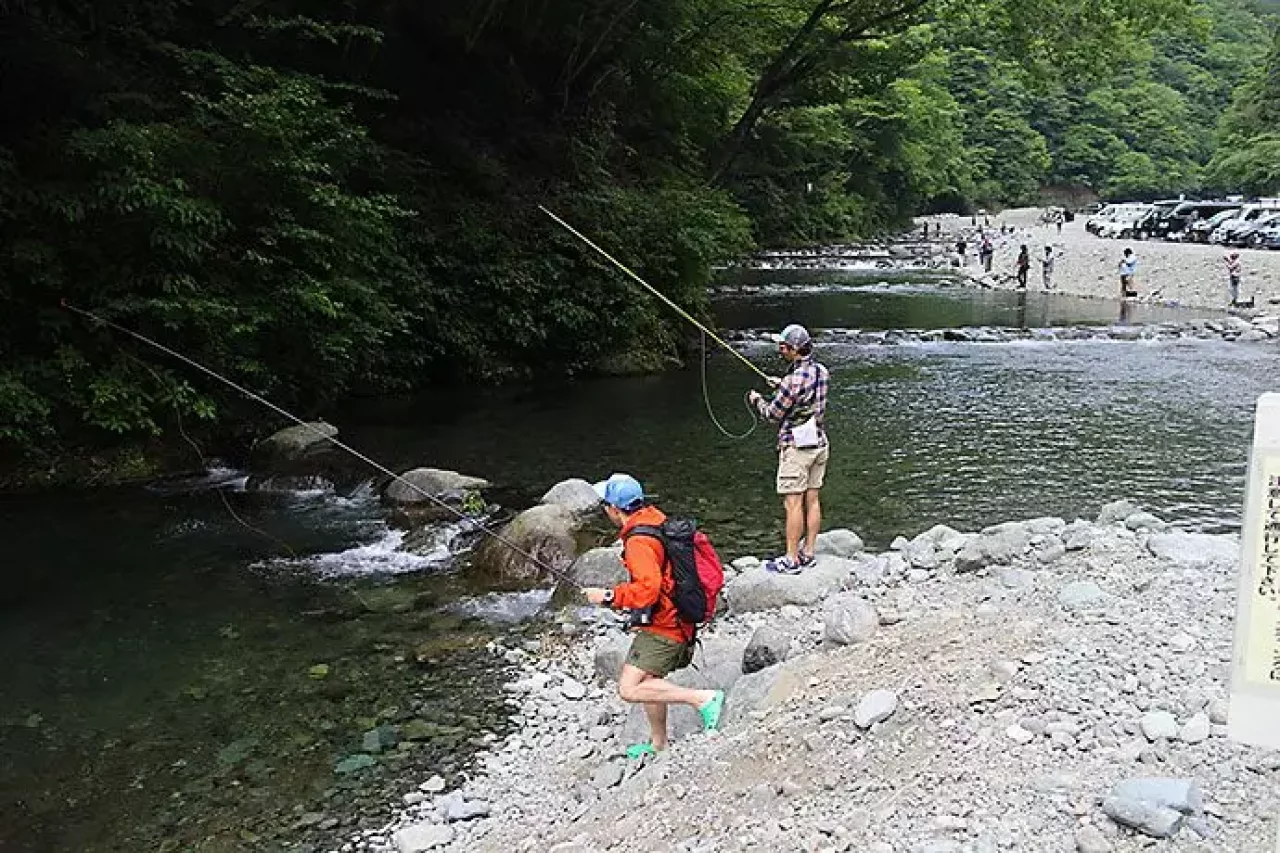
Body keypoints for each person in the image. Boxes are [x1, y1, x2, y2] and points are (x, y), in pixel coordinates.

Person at [582, 474, 724, 756]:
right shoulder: (654, 519)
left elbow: (648, 589)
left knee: (629, 688)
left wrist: (609, 597)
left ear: (613, 509)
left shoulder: (638, 542)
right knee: (650, 679)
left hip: (667, 627)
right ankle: (658, 743)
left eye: (605, 506)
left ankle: (702, 699)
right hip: (675, 617)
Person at [747, 324, 830, 575]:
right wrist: (780, 385)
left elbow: (773, 415)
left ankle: (791, 559)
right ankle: (809, 552)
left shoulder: (792, 382)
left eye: (783, 346)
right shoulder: (821, 371)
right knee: (813, 499)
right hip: (819, 443)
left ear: (794, 349)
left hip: (796, 449)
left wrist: (757, 400)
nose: (780, 349)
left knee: (793, 503)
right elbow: (805, 394)